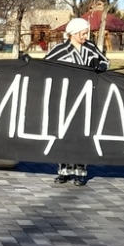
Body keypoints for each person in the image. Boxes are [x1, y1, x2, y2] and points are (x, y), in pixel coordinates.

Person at [45, 17, 109, 186]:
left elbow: (104, 61)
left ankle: (80, 172)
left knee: (82, 134)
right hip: (65, 99)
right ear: (73, 33)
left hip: (86, 98)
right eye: (83, 33)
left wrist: (101, 65)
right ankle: (63, 171)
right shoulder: (60, 50)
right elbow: (44, 66)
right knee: (64, 134)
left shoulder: (91, 48)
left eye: (87, 33)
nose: (86, 36)